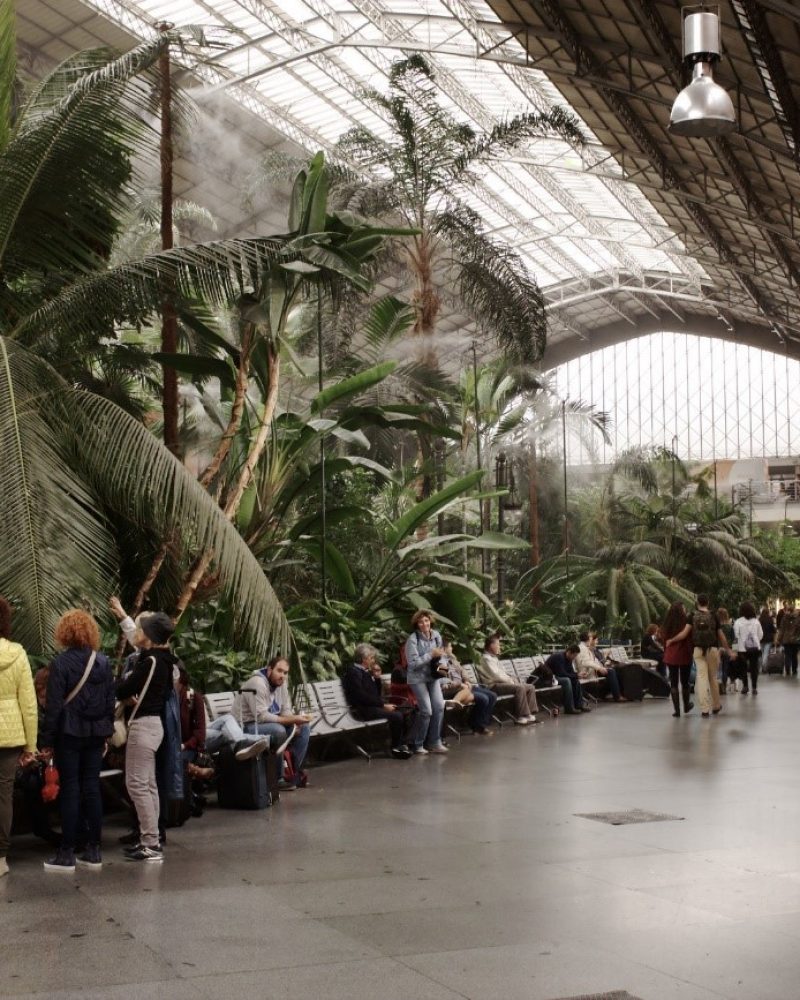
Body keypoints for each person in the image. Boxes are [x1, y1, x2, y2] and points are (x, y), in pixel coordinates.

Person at [39, 610, 115, 872]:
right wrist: (105, 732)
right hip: (96, 733)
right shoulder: (104, 662)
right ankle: (94, 850)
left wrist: (47, 740)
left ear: (64, 633)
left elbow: (54, 708)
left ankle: (67, 852)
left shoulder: (60, 664)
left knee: (70, 788)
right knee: (92, 787)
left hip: (69, 734)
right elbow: (109, 703)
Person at [115, 612, 177, 862]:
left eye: (141, 629)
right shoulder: (164, 660)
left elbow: (126, 688)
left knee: (137, 784)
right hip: (154, 726)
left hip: (144, 726)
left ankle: (150, 842)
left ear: (150, 635)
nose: (136, 633)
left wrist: (119, 686)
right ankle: (150, 839)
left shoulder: (151, 661)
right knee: (148, 785)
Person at [0, 597, 37, 878]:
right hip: (10, 735)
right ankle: (0, 858)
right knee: (4, 796)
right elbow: (29, 703)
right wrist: (31, 745)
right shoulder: (17, 653)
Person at [236, 655, 312, 786]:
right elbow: (261, 717)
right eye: (279, 671)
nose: (282, 675)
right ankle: (277, 778)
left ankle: (293, 773)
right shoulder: (257, 683)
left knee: (304, 728)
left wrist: (295, 722)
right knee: (279, 731)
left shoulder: (281, 683)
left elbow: (285, 709)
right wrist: (291, 720)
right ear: (270, 670)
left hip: (267, 724)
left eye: (285, 672)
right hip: (247, 726)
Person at [342, 643, 412, 759]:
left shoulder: (364, 671)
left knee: (405, 711)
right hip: (363, 709)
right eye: (371, 658)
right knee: (397, 716)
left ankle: (402, 744)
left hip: (373, 707)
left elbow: (375, 693)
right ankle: (395, 747)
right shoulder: (353, 672)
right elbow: (360, 696)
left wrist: (377, 679)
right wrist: (383, 705)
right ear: (364, 659)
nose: (373, 660)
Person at [403, 611, 451, 752]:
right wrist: (430, 655)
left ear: (430, 621)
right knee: (427, 711)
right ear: (416, 624)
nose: (424, 624)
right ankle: (417, 744)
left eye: (426, 620)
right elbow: (412, 664)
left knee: (439, 707)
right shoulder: (412, 640)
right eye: (421, 622)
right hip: (417, 679)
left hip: (433, 677)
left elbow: (442, 656)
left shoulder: (436, 635)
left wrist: (443, 675)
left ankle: (434, 742)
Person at [439, 640, 497, 736]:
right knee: (483, 698)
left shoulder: (452, 659)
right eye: (450, 646)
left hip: (465, 686)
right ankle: (478, 726)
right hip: (454, 689)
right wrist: (459, 684)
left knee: (492, 695)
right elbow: (444, 680)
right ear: (444, 649)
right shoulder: (441, 662)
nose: (452, 648)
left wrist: (466, 680)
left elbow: (462, 671)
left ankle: (479, 722)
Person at [663, 602, 694, 718]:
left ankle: (677, 711)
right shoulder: (686, 622)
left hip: (671, 655)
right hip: (685, 654)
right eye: (684, 608)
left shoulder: (667, 623)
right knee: (685, 682)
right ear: (681, 610)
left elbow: (664, 638)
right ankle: (686, 705)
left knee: (674, 683)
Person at [574, 632, 625, 702]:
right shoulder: (582, 649)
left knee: (613, 671)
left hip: (592, 671)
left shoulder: (584, 648)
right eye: (591, 637)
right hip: (586, 673)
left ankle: (615, 694)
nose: (592, 639)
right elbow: (586, 662)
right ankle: (617, 696)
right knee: (611, 672)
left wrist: (602, 667)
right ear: (587, 639)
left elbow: (593, 661)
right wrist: (600, 668)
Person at [544, 645, 591, 715]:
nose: (574, 658)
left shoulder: (569, 659)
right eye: (574, 655)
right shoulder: (559, 657)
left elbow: (571, 672)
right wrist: (576, 675)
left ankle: (579, 705)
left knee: (575, 680)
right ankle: (569, 708)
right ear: (569, 652)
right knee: (567, 681)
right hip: (550, 678)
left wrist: (579, 675)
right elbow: (561, 673)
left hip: (557, 677)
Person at [733, 602, 763, 696]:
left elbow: (736, 636)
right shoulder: (756, 621)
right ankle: (754, 687)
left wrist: (735, 649)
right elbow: (761, 635)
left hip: (742, 649)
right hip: (755, 649)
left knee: (743, 668)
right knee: (754, 668)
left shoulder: (738, 622)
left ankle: (745, 686)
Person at [776, 600, 800, 677]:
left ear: (787, 610)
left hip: (786, 640)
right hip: (795, 640)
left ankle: (787, 670)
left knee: (788, 655)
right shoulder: (798, 618)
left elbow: (781, 630)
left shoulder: (784, 618)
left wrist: (778, 639)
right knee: (794, 655)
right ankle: (794, 669)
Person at [759, 606, 776, 672]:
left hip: (761, 639)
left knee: (761, 653)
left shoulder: (759, 619)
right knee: (766, 653)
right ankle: (764, 667)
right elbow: (773, 630)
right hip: (768, 639)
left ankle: (761, 667)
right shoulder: (770, 619)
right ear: (768, 612)